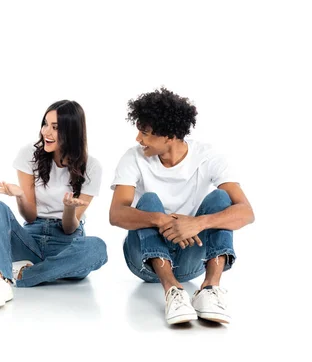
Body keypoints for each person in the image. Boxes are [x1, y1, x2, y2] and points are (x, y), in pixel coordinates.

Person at [109, 87, 255, 325]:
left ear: (168, 135)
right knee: (148, 202)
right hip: (144, 261)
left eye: (145, 133)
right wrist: (163, 220)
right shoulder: (132, 157)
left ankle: (210, 289)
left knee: (220, 200)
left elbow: (246, 212)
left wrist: (198, 223)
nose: (138, 139)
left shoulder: (208, 156)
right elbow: (116, 215)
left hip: (190, 259)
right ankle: (172, 290)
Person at [0, 100, 108, 310]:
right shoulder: (28, 154)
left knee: (97, 248)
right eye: (45, 124)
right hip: (31, 238)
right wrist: (21, 195)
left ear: (72, 131)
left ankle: (21, 275)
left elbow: (69, 228)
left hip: (67, 244)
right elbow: (29, 217)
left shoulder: (92, 167)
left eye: (55, 127)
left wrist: (69, 209)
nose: (46, 132)